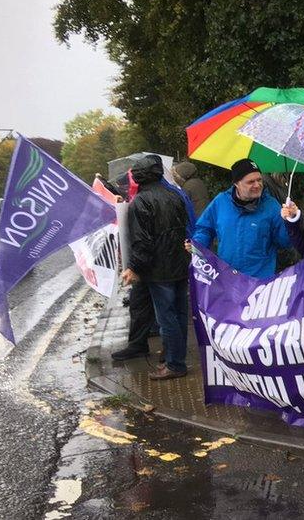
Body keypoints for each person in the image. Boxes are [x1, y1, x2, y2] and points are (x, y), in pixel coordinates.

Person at [120, 156, 191, 380]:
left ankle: (175, 364)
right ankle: (174, 357)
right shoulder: (174, 195)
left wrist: (133, 267)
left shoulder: (141, 201)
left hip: (159, 270)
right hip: (179, 264)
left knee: (166, 317)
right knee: (179, 314)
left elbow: (142, 242)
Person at [190, 158, 293, 278]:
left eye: (259, 180)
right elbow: (204, 229)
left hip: (259, 281)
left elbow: (285, 242)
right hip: (227, 278)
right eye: (251, 182)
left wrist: (289, 222)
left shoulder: (271, 205)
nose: (257, 185)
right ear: (236, 184)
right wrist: (197, 244)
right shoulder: (221, 202)